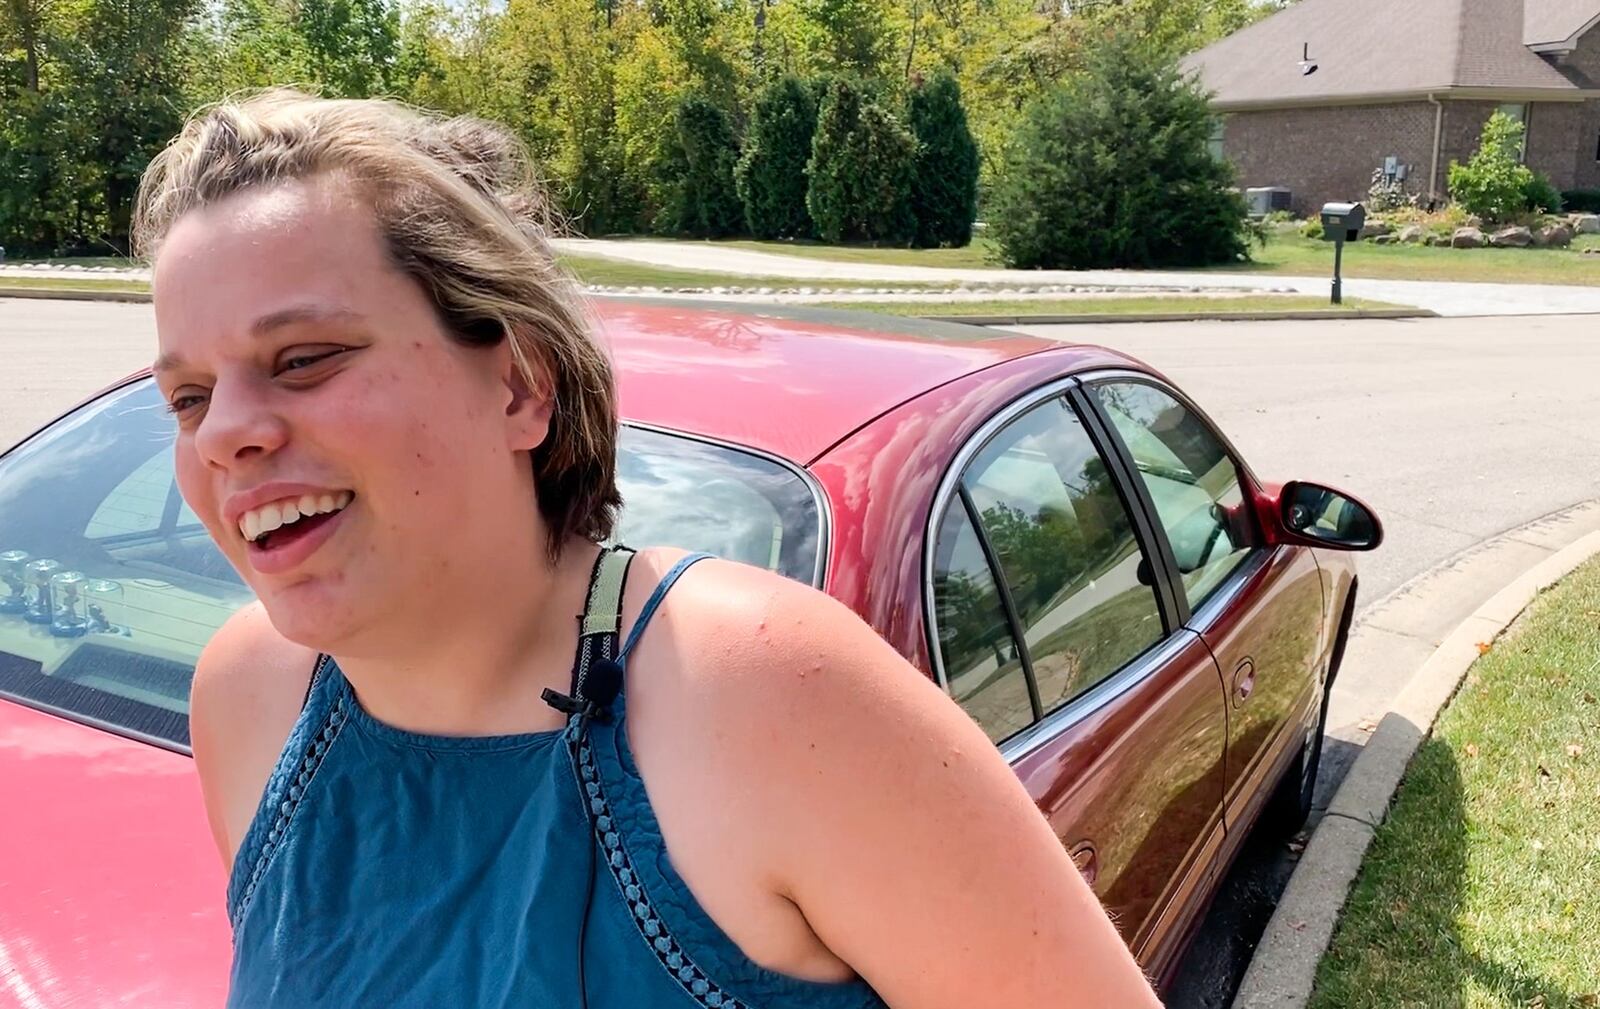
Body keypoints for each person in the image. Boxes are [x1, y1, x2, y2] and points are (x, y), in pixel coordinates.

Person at [135, 89, 1163, 1009]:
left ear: (520, 385)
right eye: (188, 397)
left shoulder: (758, 694)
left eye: (304, 358)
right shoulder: (251, 696)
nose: (224, 431)